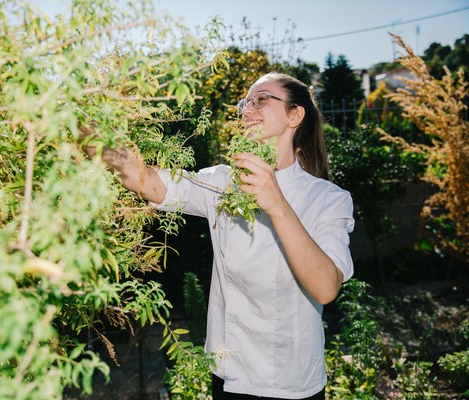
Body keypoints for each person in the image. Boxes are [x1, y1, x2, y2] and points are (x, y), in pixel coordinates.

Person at [82, 72, 355, 400]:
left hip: (290, 383)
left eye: (262, 99)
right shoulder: (224, 182)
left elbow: (326, 288)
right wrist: (83, 132)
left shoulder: (327, 198)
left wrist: (277, 204)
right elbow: (146, 181)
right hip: (228, 376)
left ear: (295, 115)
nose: (247, 109)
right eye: (245, 102)